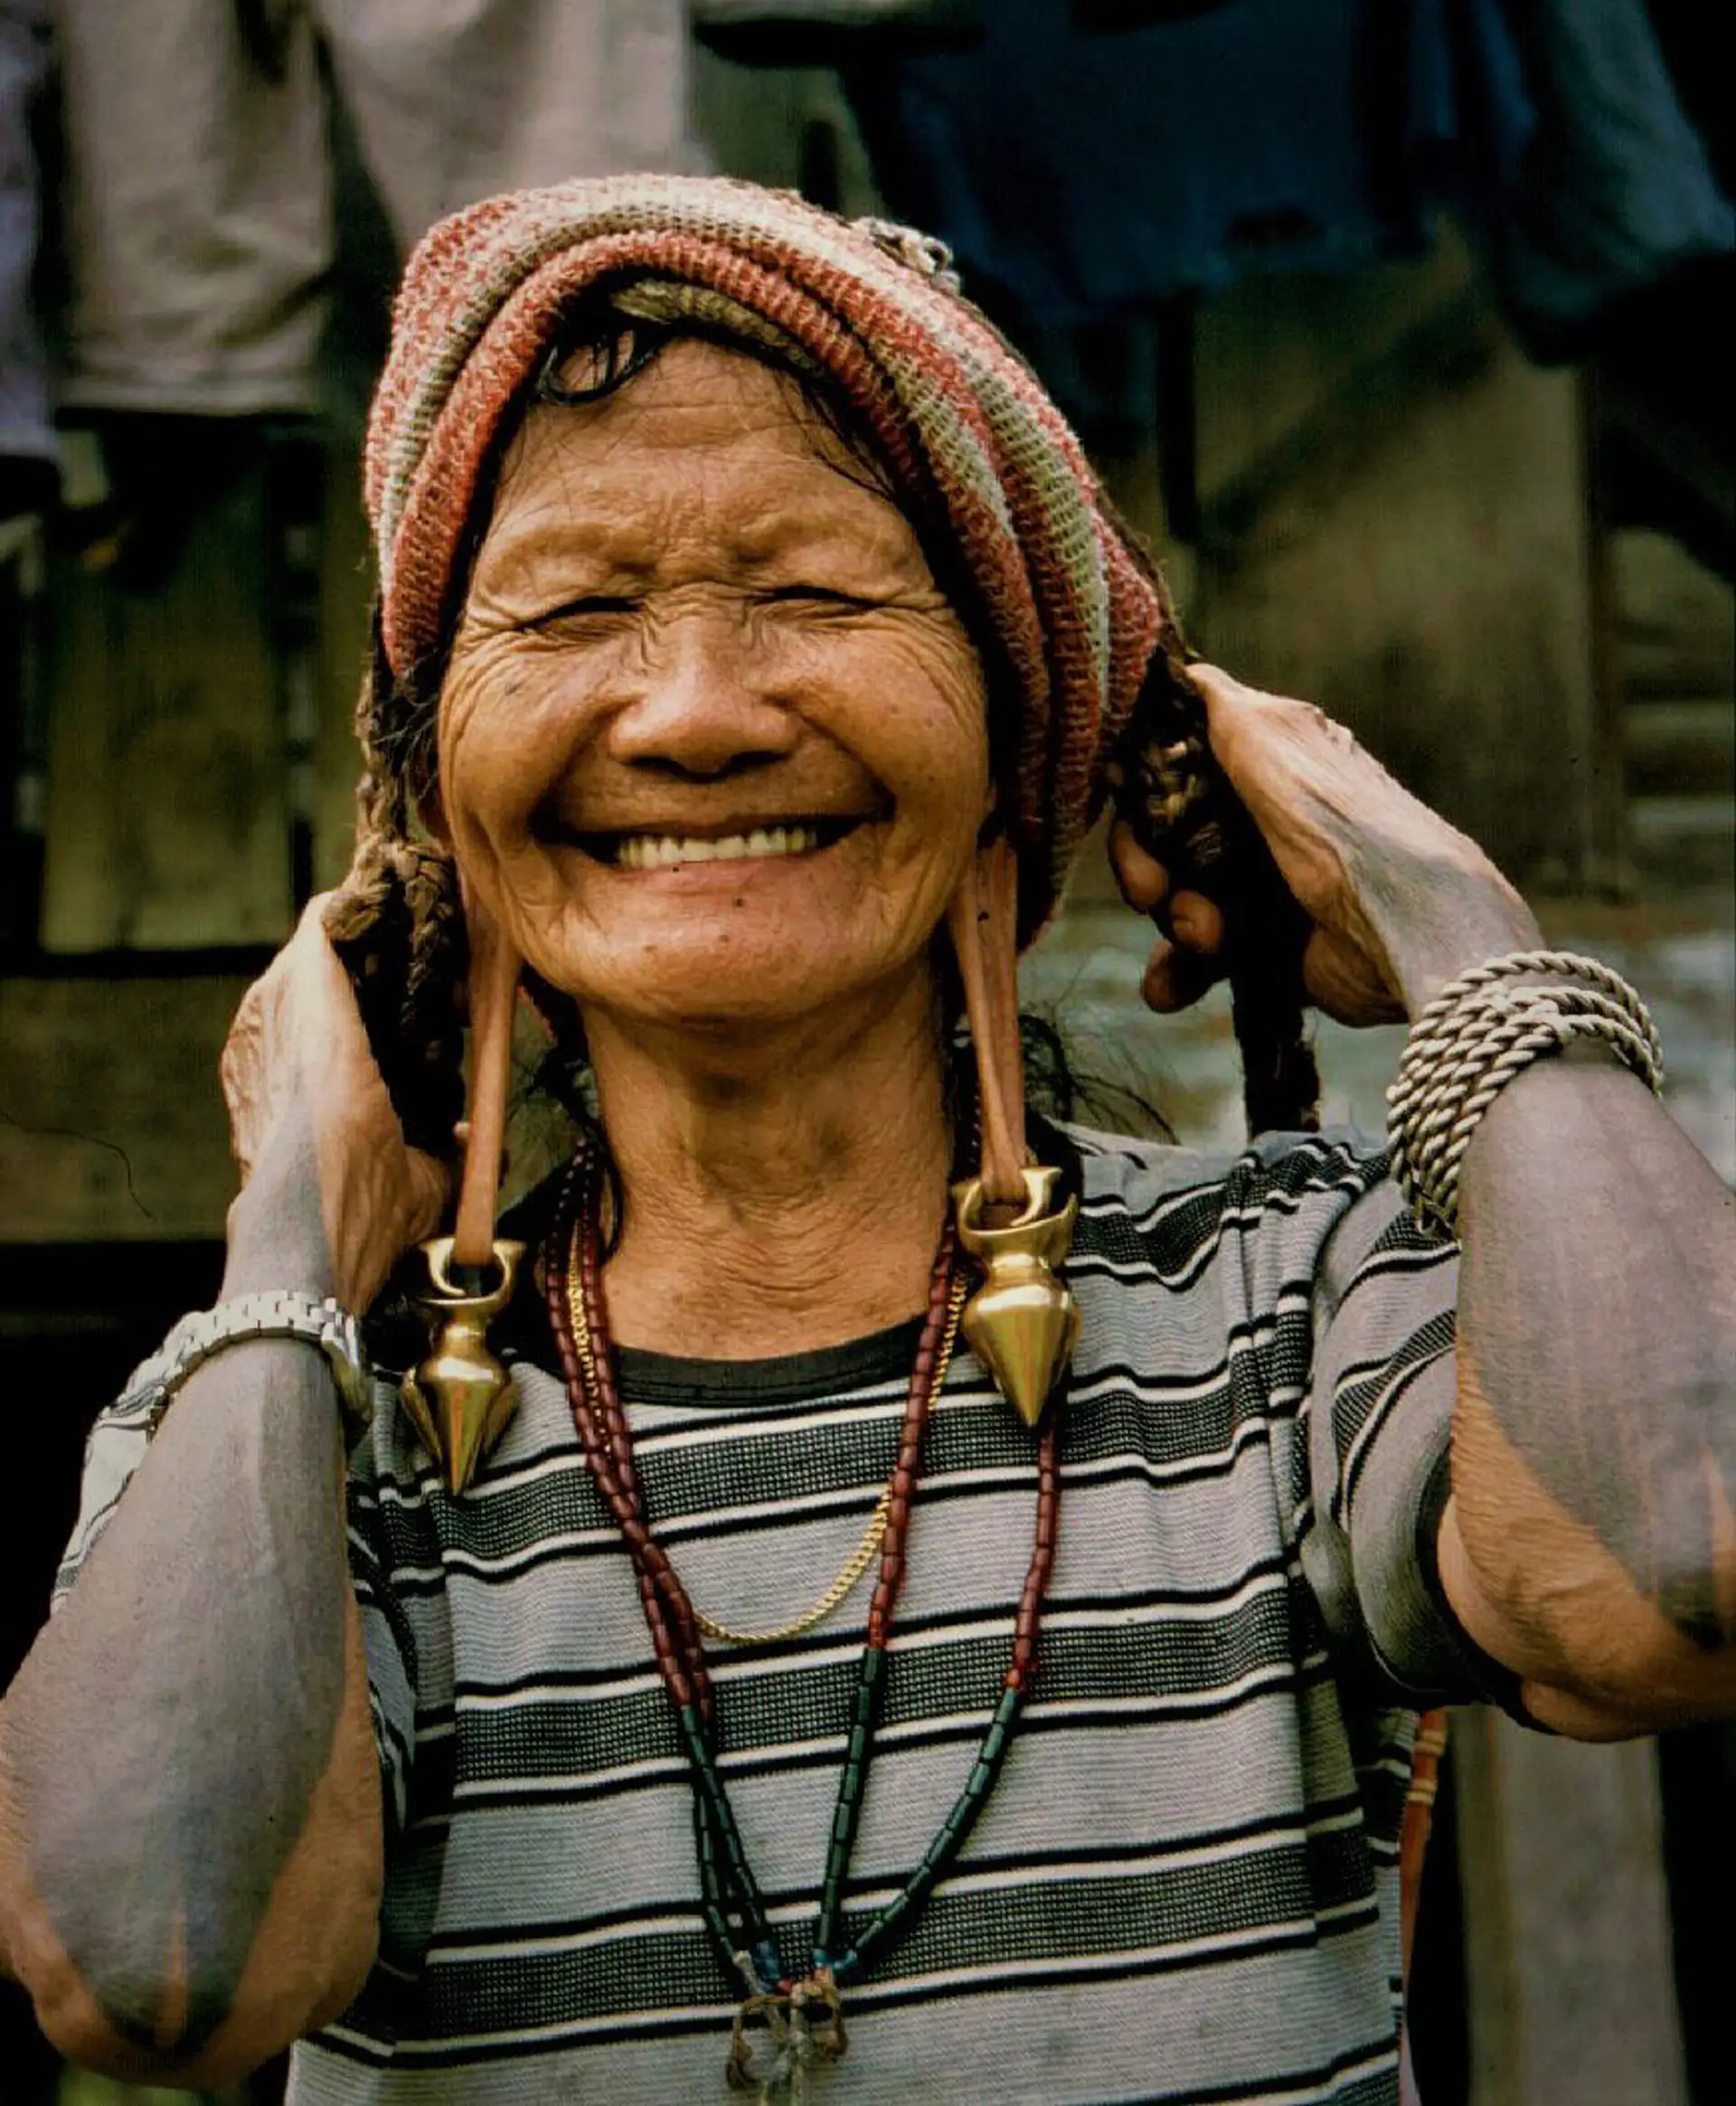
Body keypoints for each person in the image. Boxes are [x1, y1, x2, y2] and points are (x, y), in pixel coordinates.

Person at [2, 175, 1731, 2105]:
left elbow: (1684, 1561)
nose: (693, 714)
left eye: (818, 596)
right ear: (440, 796)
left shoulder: (1284, 1304)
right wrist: (293, 1247)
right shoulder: (301, 1425)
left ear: (1010, 753)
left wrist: (1465, 939)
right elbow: (156, 1966)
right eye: (574, 610)